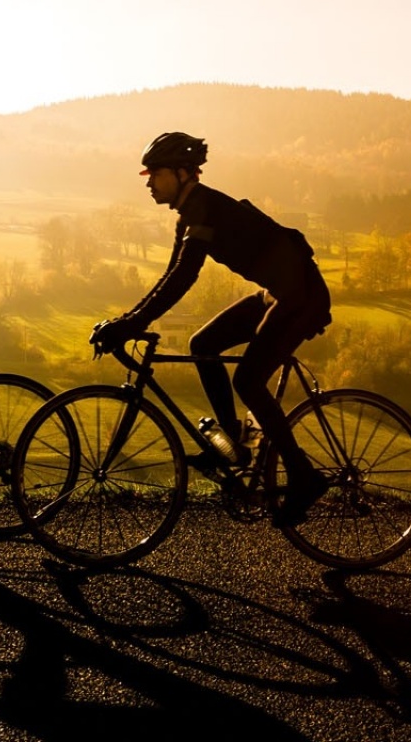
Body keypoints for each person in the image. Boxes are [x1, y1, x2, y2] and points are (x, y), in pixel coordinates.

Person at [92, 131, 333, 528]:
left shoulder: (204, 208)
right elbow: (169, 277)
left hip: (301, 297)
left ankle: (305, 477)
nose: (149, 183)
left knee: (249, 381)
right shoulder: (190, 215)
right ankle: (236, 445)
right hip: (278, 293)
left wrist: (131, 324)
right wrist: (127, 320)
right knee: (202, 343)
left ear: (183, 173)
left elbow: (183, 278)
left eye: (155, 174)